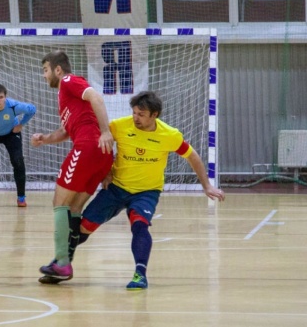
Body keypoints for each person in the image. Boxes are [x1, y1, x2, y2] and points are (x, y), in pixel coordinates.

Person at [41, 90, 225, 290]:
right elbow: (99, 144)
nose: (136, 118)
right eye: (134, 113)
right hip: (116, 188)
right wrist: (105, 172)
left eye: (141, 114)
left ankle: (140, 275)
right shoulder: (120, 126)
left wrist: (206, 185)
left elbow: (192, 156)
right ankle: (62, 264)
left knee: (139, 225)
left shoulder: (169, 135)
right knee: (83, 227)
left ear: (154, 115)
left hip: (147, 191)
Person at [30, 51, 114, 282]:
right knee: (74, 207)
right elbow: (65, 132)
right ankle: (63, 264)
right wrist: (44, 138)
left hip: (87, 148)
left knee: (59, 203)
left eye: (45, 70)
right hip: (100, 155)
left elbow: (96, 98)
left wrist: (105, 132)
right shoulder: (65, 98)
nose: (44, 75)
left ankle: (62, 262)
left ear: (57, 70)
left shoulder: (68, 81)